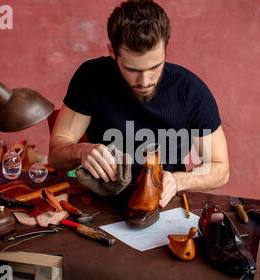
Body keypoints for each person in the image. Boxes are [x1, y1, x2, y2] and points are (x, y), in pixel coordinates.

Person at [49, 0, 229, 208]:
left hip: (163, 200)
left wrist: (179, 180)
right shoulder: (90, 78)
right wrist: (80, 151)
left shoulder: (190, 91)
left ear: (165, 51)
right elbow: (55, 154)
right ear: (112, 52)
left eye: (155, 66)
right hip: (103, 201)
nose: (144, 81)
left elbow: (219, 168)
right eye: (132, 69)